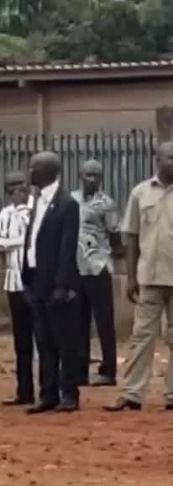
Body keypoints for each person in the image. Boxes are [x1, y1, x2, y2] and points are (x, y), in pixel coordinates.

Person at [108, 142, 173, 412]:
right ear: (158, 161)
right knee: (141, 336)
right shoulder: (140, 193)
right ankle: (132, 394)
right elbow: (130, 236)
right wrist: (130, 277)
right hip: (149, 278)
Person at [22, 151, 81, 414]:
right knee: (43, 341)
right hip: (36, 281)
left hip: (56, 284)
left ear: (47, 171)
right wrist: (26, 278)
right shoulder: (36, 201)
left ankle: (69, 393)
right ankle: (48, 393)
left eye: (34, 167)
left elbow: (67, 248)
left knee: (64, 341)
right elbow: (32, 240)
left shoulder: (67, 203)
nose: (30, 172)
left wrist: (62, 285)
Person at [73, 159, 120, 387]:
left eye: (96, 175)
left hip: (98, 266)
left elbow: (116, 235)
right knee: (78, 322)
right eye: (88, 174)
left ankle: (108, 371)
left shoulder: (107, 204)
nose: (91, 179)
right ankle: (80, 370)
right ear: (80, 176)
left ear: (101, 178)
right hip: (76, 268)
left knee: (104, 321)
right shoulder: (71, 200)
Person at [0, 173, 34, 407]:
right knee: (21, 341)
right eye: (12, 186)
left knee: (44, 338)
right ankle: (24, 391)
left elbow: (28, 240)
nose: (17, 190)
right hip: (13, 282)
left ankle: (51, 389)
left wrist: (8, 243)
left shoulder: (33, 211)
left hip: (33, 282)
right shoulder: (4, 214)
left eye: (20, 184)